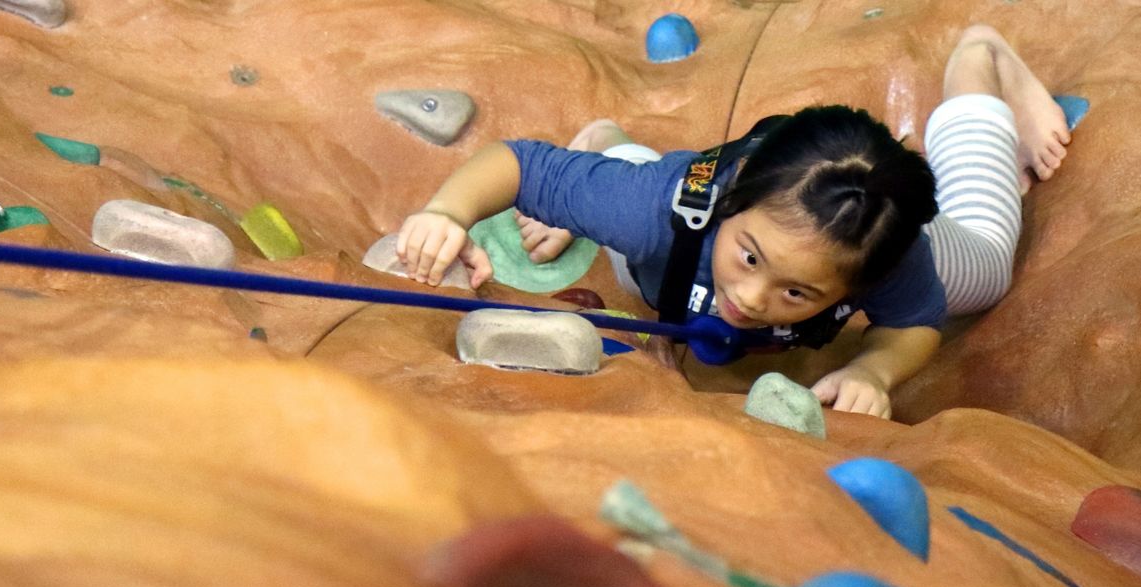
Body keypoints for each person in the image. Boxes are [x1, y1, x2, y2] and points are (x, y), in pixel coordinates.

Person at [394, 24, 1070, 419]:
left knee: (986, 271)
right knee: (628, 243)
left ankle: (981, 62)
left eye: (797, 291)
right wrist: (447, 212)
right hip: (664, 229)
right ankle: (608, 148)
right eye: (749, 256)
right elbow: (517, 164)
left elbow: (913, 322)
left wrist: (875, 371)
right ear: (734, 202)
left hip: (872, 225)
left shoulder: (889, 253)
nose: (750, 298)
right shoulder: (653, 210)